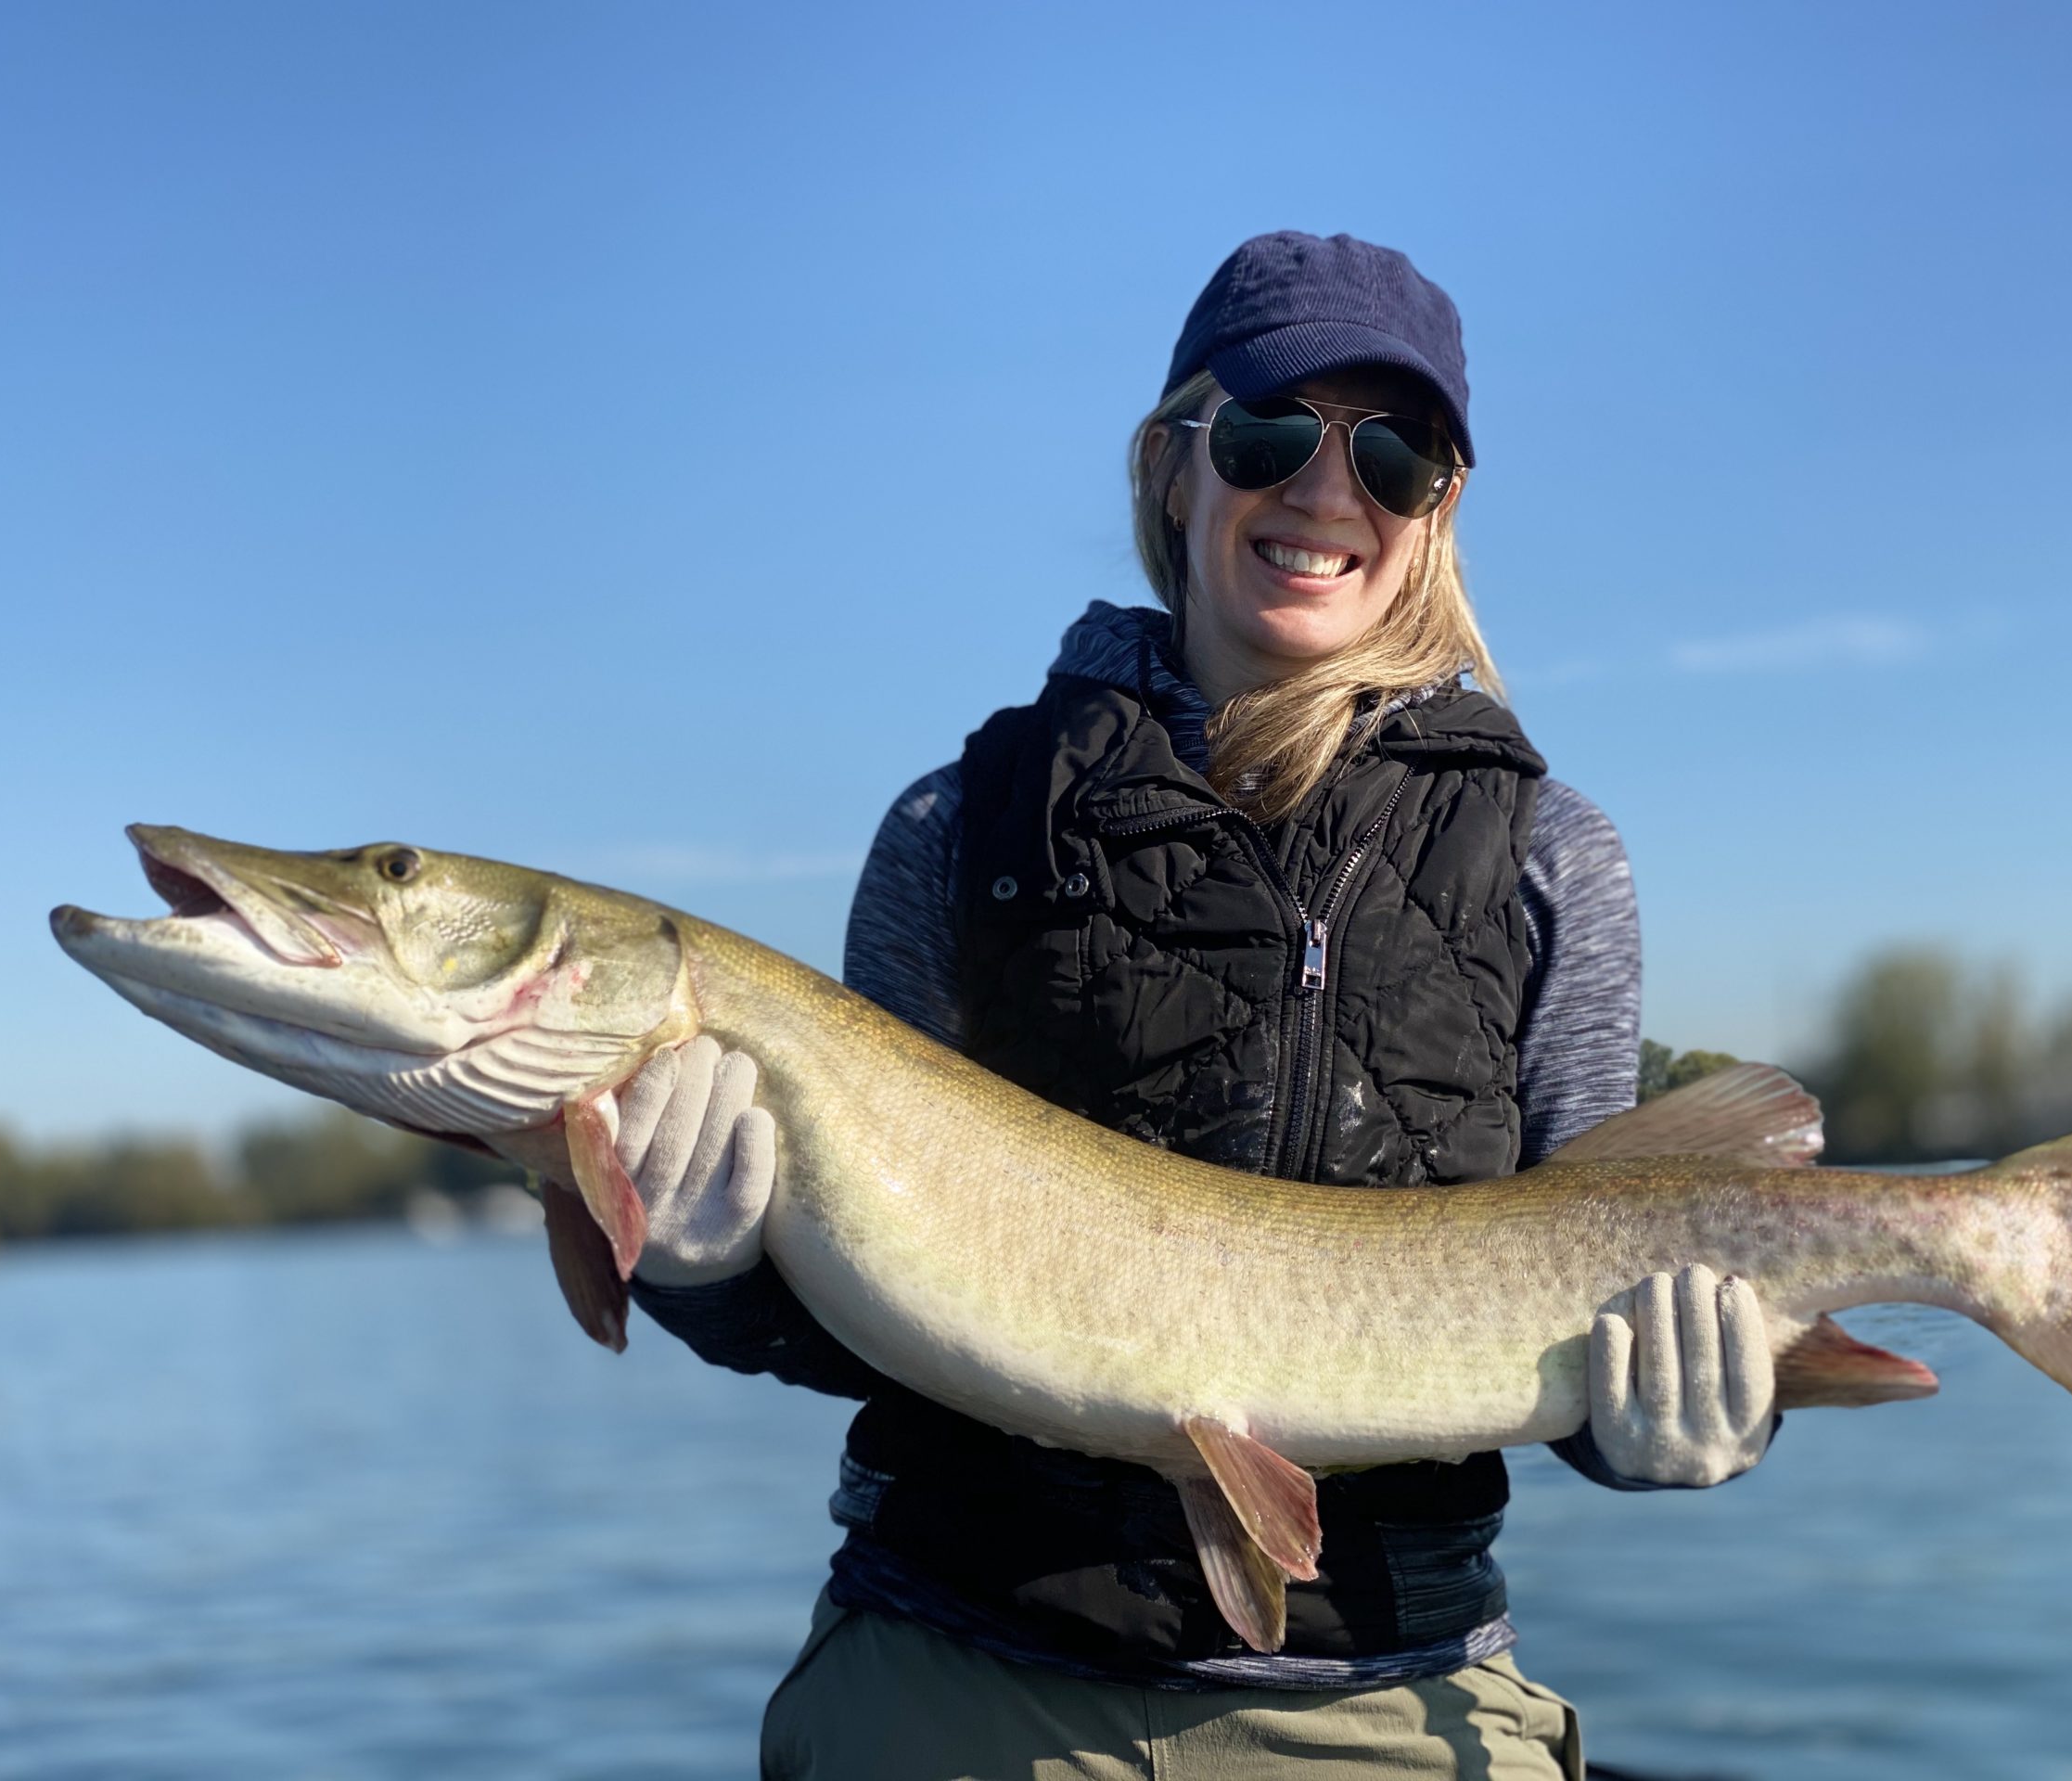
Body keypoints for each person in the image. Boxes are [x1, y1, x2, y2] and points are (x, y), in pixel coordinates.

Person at [617, 232, 1777, 1779]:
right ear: (1175, 468)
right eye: (1268, 432)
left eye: (1395, 454)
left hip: (1388, 1703)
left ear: (1440, 510)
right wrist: (707, 1269)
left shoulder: (1553, 854)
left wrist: (1702, 1421)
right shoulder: (956, 829)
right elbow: (876, 1326)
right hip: (959, 1679)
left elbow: (1591, 1291)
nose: (1322, 489)